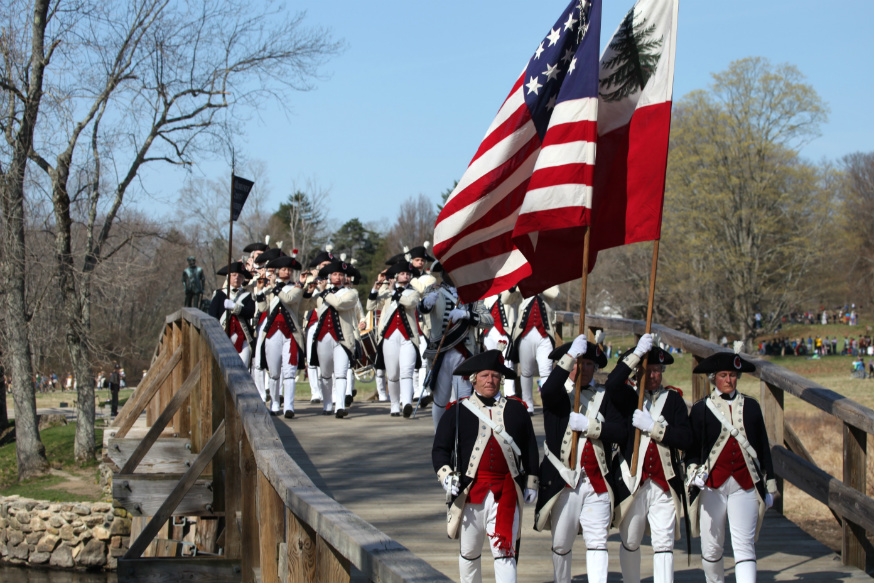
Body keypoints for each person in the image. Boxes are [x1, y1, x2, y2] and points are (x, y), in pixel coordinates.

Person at [534, 334, 649, 583]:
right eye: (578, 363)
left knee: (598, 542)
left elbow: (620, 431)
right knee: (562, 544)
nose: (583, 369)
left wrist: (592, 426)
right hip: (564, 482)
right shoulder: (556, 395)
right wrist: (569, 356)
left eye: (588, 364)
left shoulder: (603, 397)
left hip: (597, 482)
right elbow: (550, 388)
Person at [432, 350, 539, 583]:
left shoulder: (517, 409)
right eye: (484, 375)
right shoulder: (457, 411)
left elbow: (530, 447)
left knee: (505, 552)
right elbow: (440, 449)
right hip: (471, 493)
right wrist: (447, 476)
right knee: (469, 553)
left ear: (501, 379)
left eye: (494, 375)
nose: (490, 380)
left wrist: (531, 482)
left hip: (506, 492)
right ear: (473, 379)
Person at [686, 345, 776, 583]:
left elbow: (763, 446)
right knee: (712, 548)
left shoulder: (752, 406)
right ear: (713, 378)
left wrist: (771, 481)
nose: (729, 380)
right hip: (712, 485)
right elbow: (692, 450)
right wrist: (693, 471)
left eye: (733, 375)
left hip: (745, 483)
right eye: (724, 375)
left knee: (744, 545)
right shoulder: (700, 409)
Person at [611, 342, 693, 583]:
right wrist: (635, 354)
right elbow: (614, 381)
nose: (654, 375)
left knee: (664, 542)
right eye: (648, 369)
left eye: (658, 370)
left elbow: (686, 438)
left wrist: (655, 429)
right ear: (638, 371)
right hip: (633, 479)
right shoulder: (627, 397)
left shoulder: (674, 400)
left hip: (664, 481)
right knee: (631, 539)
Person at [419, 262, 493, 429]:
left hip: (465, 354)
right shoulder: (433, 290)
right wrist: (426, 304)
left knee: (465, 398)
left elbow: (489, 321)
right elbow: (422, 308)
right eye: (449, 271)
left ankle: (463, 436)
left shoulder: (472, 294)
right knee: (440, 399)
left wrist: (467, 315)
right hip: (441, 352)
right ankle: (440, 435)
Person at [368, 261, 423, 417]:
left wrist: (393, 292)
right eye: (402, 273)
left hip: (408, 337)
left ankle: (406, 403)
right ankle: (394, 405)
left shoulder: (412, 292)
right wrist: (375, 288)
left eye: (407, 273)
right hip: (389, 336)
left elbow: (410, 303)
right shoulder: (386, 292)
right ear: (396, 276)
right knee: (392, 374)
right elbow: (371, 306)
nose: (405, 276)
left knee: (407, 371)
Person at [311, 259, 361, 418]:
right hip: (323, 336)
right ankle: (327, 404)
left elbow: (339, 303)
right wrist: (309, 289)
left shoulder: (351, 293)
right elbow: (308, 304)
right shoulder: (321, 293)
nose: (338, 277)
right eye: (335, 274)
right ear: (329, 276)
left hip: (343, 339)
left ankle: (339, 406)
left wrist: (324, 292)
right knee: (325, 373)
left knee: (341, 373)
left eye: (341, 274)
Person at [507, 285, 560, 413]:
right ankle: (528, 403)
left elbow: (555, 294)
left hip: (545, 335)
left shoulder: (548, 280)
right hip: (525, 335)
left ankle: (547, 402)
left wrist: (537, 283)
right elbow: (506, 299)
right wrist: (518, 285)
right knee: (526, 372)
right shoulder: (522, 281)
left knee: (546, 370)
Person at [208, 261, 256, 366]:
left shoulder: (247, 295)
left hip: (243, 338)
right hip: (224, 337)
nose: (236, 278)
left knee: (243, 366)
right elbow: (212, 315)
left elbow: (250, 312)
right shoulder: (220, 294)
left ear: (243, 279)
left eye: (239, 276)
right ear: (228, 277)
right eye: (234, 275)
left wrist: (235, 307)